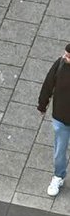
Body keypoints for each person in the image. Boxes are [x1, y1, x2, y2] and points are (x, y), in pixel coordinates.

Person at [38, 44, 70, 196]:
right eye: (65, 54)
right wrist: (42, 105)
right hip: (61, 118)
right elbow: (48, 84)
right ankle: (58, 176)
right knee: (59, 152)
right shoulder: (60, 64)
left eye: (68, 56)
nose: (65, 57)